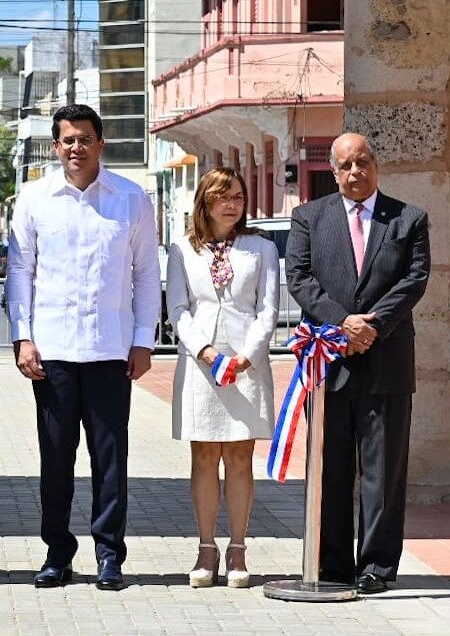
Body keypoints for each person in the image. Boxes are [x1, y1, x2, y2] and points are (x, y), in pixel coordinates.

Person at [6, 104, 161, 591]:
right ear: (56, 146)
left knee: (110, 459)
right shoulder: (33, 199)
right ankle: (57, 553)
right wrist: (23, 337)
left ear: (101, 143)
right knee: (56, 458)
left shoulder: (131, 198)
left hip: (111, 350)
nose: (76, 148)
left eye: (85, 139)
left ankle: (110, 555)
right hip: (51, 352)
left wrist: (142, 341)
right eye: (67, 140)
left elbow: (146, 273)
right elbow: (20, 272)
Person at [285, 133, 430, 594]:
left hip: (386, 362)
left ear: (376, 165)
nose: (355, 173)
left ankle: (377, 567)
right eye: (345, 166)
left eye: (362, 163)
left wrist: (372, 327)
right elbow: (299, 276)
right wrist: (343, 323)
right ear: (334, 171)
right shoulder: (309, 217)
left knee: (383, 471)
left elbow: (415, 278)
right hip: (330, 365)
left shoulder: (408, 219)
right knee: (331, 468)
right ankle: (332, 565)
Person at [165, 167, 279, 588]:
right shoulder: (182, 250)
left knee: (239, 459)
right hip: (200, 363)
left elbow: (268, 309)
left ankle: (238, 548)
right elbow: (178, 308)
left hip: (246, 364)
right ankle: (205, 547)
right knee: (203, 457)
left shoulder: (260, 249)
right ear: (205, 202)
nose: (232, 204)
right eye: (222, 196)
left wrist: (247, 356)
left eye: (238, 197)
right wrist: (206, 352)